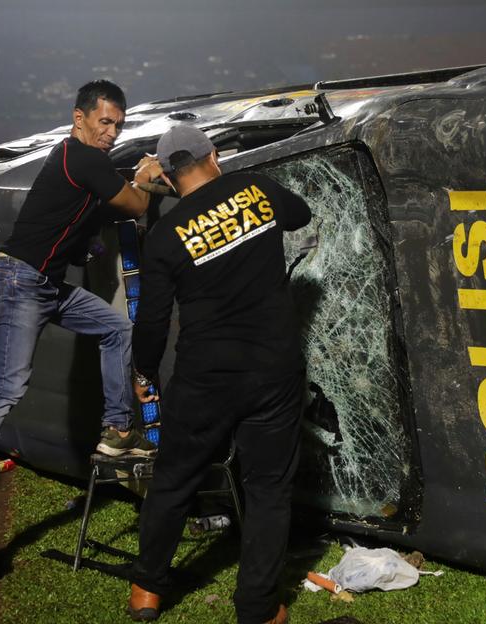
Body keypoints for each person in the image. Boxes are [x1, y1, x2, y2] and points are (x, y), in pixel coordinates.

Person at [0, 79, 161, 549]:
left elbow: (88, 221)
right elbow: (137, 203)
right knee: (8, 386)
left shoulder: (78, 162)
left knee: (116, 329)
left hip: (44, 284)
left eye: (118, 125)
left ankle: (118, 430)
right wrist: (144, 176)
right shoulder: (82, 158)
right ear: (79, 118)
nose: (111, 133)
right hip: (21, 282)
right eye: (105, 122)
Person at [126, 126, 311, 624]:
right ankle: (258, 608)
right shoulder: (255, 189)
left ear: (167, 176)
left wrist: (144, 373)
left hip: (205, 377)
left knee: (174, 478)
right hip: (273, 370)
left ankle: (147, 589)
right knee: (268, 489)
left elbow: (152, 319)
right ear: (214, 156)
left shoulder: (165, 235)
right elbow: (301, 215)